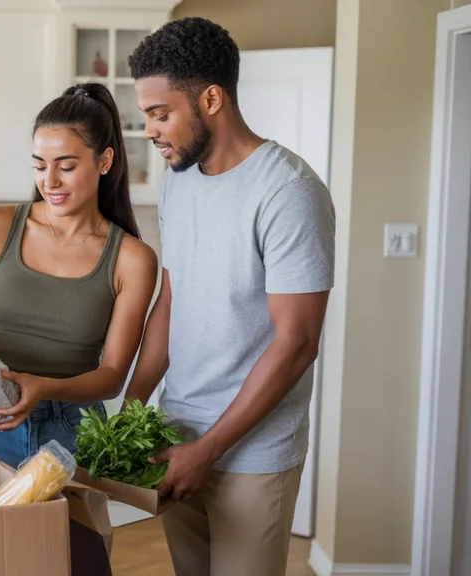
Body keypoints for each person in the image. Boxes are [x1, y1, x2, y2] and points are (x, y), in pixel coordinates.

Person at [122, 17, 336, 576]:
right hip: (176, 434)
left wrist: (209, 449)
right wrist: (133, 403)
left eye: (160, 112)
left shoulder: (288, 192)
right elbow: (171, 301)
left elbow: (297, 342)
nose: (149, 130)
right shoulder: (179, 180)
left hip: (252, 453)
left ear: (211, 98)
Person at [0, 82, 159, 469]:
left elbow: (112, 376)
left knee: (71, 533)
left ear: (104, 161)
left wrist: (46, 388)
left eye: (66, 167)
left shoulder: (132, 259)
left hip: (74, 432)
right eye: (39, 165)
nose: (49, 181)